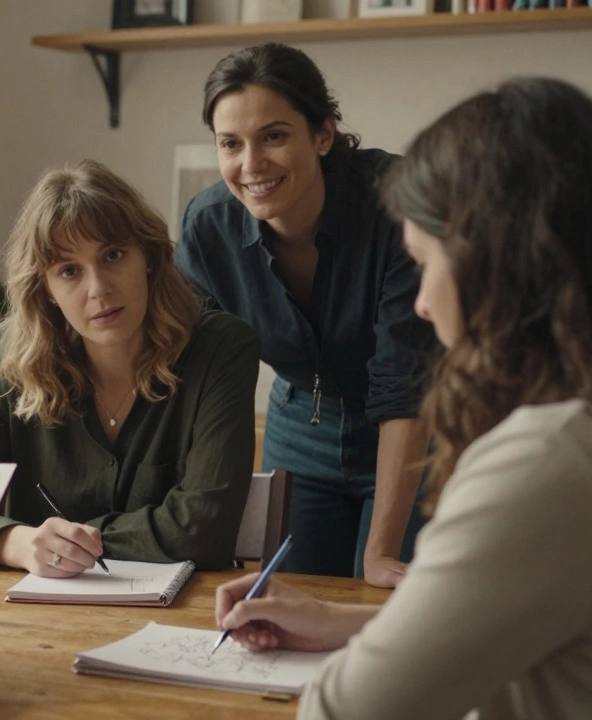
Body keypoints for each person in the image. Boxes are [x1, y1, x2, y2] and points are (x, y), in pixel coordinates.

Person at [213, 78, 592, 719]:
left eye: (424, 263)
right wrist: (342, 620)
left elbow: (347, 708)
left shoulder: (548, 462)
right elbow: (543, 631)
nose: (421, 301)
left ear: (491, 265)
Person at [175, 42, 436, 587]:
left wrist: (381, 552)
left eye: (273, 136)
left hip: (416, 431)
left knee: (390, 605)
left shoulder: (396, 205)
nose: (251, 165)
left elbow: (404, 384)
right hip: (298, 427)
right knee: (293, 602)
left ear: (323, 134)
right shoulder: (208, 228)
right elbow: (194, 374)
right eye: (231, 144)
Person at [0, 159, 259, 576]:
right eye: (69, 270)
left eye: (113, 255)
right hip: (39, 622)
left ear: (148, 256)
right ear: (47, 290)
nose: (99, 289)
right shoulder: (20, 358)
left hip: (183, 620)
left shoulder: (221, 348)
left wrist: (72, 543)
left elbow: (203, 531)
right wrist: (16, 543)